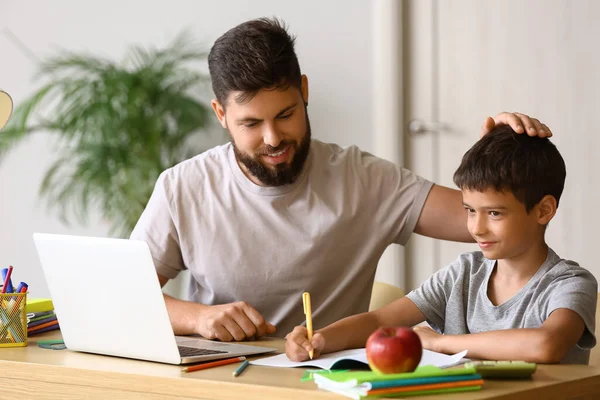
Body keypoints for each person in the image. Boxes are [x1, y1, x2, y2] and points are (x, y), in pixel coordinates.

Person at [130, 17, 553, 342]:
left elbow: (494, 219)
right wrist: (198, 317)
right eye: (252, 123)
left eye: (286, 114)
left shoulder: (365, 181)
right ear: (221, 114)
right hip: (220, 382)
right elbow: (123, 292)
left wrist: (501, 159)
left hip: (328, 380)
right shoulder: (182, 186)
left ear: (304, 91)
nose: (274, 138)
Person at [286, 125, 597, 364]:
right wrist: (320, 339)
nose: (476, 227)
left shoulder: (569, 284)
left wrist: (440, 343)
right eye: (470, 210)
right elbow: (380, 320)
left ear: (544, 210)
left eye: (494, 213)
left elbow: (545, 344)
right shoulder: (464, 274)